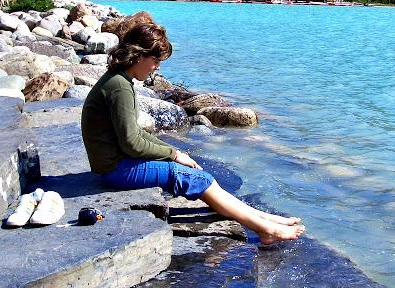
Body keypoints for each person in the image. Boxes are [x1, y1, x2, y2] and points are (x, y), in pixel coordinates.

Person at [81, 23, 305, 245]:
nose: (157, 68)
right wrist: (174, 155)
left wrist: (174, 152)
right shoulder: (119, 86)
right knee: (197, 179)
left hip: (114, 164)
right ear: (138, 55)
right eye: (156, 61)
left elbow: (134, 134)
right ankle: (265, 230)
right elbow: (132, 143)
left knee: (203, 178)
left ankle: (264, 218)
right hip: (116, 170)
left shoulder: (120, 80)